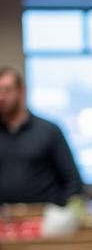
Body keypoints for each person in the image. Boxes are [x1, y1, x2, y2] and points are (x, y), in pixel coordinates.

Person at [0, 66, 83, 205]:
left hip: (43, 219)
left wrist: (60, 215)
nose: (1, 97)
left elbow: (73, 182)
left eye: (7, 90)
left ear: (21, 91)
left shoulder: (49, 131)